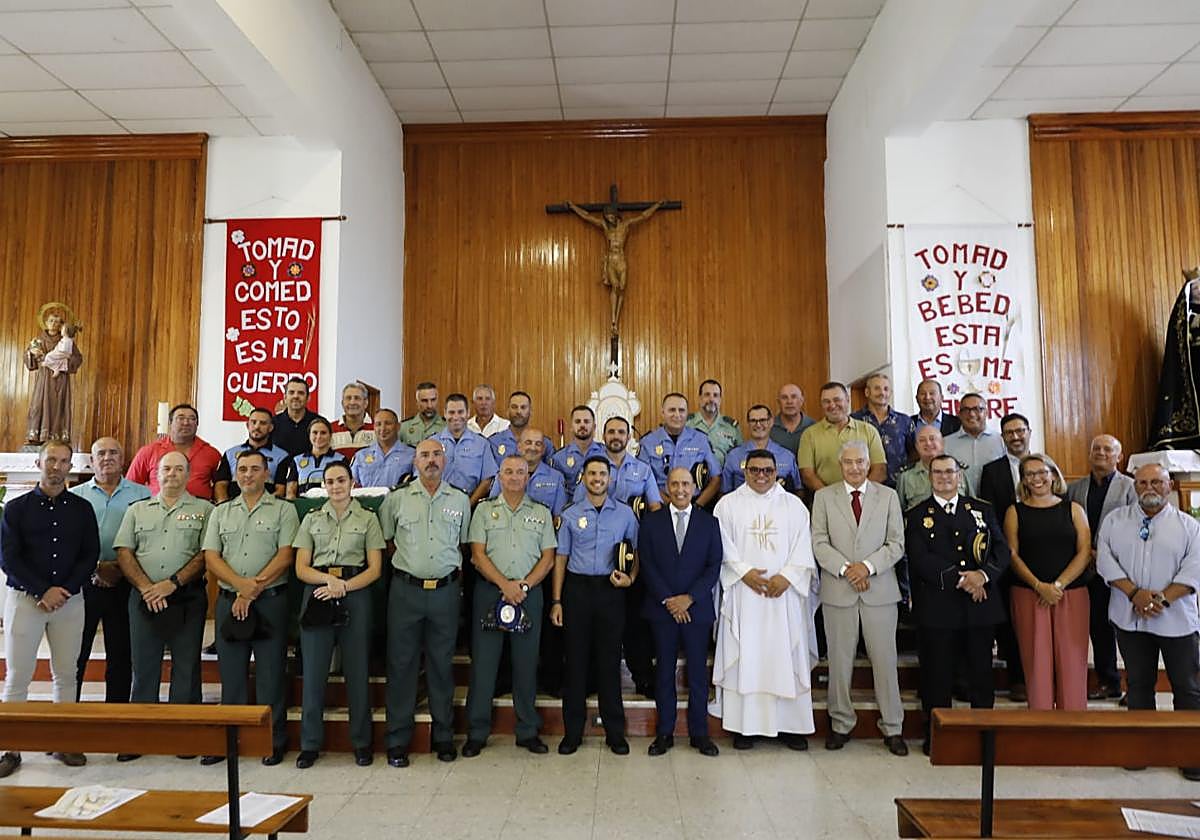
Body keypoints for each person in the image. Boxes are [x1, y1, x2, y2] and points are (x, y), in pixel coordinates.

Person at [0, 441, 99, 777]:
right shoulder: (15, 508)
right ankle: (9, 748)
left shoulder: (83, 510)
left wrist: (65, 589)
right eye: (51, 460)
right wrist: (42, 590)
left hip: (70, 602)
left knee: (66, 673)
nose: (57, 466)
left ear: (70, 466)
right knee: (17, 676)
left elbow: (90, 555)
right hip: (26, 600)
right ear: (38, 462)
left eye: (63, 461)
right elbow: (8, 558)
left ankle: (65, 741)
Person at [1097, 463, 1200, 781]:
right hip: (1130, 619)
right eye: (1142, 482)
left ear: (1168, 485)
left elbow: (1194, 566)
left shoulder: (1188, 526)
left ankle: (1191, 753)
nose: (1149, 488)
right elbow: (1104, 559)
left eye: (1156, 482)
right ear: (1135, 487)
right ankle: (1141, 748)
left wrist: (1162, 599)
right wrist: (1135, 595)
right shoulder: (1115, 520)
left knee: (1188, 687)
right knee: (1139, 686)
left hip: (1176, 621)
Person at [710, 449, 818, 751]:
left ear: (777, 473)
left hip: (783, 596)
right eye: (755, 470)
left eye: (767, 471)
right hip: (745, 595)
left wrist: (787, 577)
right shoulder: (727, 505)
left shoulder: (794, 506)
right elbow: (723, 548)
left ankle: (791, 726)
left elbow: (803, 546)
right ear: (745, 471)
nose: (761, 476)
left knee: (784, 654)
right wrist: (745, 574)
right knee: (748, 654)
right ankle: (746, 726)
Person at [905, 454, 1010, 755]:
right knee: (936, 676)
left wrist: (982, 576)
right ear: (929, 477)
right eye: (937, 473)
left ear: (960, 476)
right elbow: (920, 557)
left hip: (980, 606)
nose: (944, 477)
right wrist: (964, 580)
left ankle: (983, 735)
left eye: (950, 472)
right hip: (938, 607)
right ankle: (938, 735)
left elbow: (1001, 551)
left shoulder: (981, 510)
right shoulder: (916, 515)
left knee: (980, 674)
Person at [202, 450, 299, 766]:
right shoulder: (221, 512)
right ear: (234, 475)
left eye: (254, 469)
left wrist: (253, 588)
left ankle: (272, 741)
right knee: (232, 678)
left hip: (270, 601)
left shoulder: (284, 511)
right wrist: (240, 587)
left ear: (267, 474)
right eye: (242, 470)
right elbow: (212, 557)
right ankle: (231, 742)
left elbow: (286, 555)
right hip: (231, 602)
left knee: (271, 677)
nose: (247, 475)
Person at [812, 441, 907, 755]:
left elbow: (896, 544)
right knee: (839, 664)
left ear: (870, 464)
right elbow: (819, 542)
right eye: (848, 462)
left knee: (885, 662)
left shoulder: (888, 496)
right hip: (839, 591)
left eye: (860, 462)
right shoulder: (824, 497)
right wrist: (845, 569)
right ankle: (840, 724)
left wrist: (866, 567)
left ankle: (892, 727)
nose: (854, 467)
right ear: (840, 465)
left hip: (879, 591)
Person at [379, 439, 470, 768]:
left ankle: (444, 736)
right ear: (414, 461)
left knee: (441, 666)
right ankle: (397, 740)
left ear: (444, 460)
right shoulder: (397, 499)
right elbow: (388, 542)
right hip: (406, 592)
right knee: (401, 666)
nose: (431, 460)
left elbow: (463, 546)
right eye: (424, 455)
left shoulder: (460, 500)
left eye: (436, 455)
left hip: (445, 593)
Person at [114, 452, 212, 753]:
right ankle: (142, 735)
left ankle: (183, 735)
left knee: (186, 666)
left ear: (188, 473)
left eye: (179, 469)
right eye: (166, 468)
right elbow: (124, 551)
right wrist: (147, 587)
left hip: (186, 596)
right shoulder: (137, 510)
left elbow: (205, 554)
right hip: (144, 597)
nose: (172, 474)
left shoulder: (205, 510)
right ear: (156, 473)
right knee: (144, 666)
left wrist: (172, 583)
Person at [462, 456, 557, 757]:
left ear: (528, 477)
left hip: (529, 595)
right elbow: (477, 554)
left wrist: (524, 586)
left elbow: (548, 558)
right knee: (484, 666)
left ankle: (527, 730)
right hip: (491, 593)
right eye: (508, 472)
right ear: (499, 476)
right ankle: (476, 732)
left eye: (520, 472)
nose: (515, 477)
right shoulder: (484, 511)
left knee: (527, 665)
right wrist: (505, 585)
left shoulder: (541, 513)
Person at [292, 461, 384, 769]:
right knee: (315, 673)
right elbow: (301, 567)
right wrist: (328, 582)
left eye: (341, 480)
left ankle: (361, 742)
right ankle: (310, 744)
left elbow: (375, 569)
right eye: (329, 481)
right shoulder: (312, 519)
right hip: (319, 591)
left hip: (354, 591)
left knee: (357, 672)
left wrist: (343, 586)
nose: (335, 486)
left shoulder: (368, 519)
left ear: (352, 482)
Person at [551, 456, 639, 755]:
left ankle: (615, 732)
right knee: (575, 663)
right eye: (592, 473)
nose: (597, 478)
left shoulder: (625, 514)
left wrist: (630, 578)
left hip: (610, 591)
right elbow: (561, 558)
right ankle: (572, 733)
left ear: (610, 478)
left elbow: (635, 553)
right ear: (584, 478)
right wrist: (557, 600)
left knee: (609, 662)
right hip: (577, 591)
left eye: (602, 473)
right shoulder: (571, 514)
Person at [638, 467, 722, 757]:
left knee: (698, 674)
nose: (681, 489)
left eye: (686, 483)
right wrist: (669, 600)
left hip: (696, 611)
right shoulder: (651, 522)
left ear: (694, 487)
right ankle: (664, 733)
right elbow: (646, 564)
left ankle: (700, 734)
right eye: (675, 484)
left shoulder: (710, 523)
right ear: (667, 488)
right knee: (664, 672)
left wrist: (689, 598)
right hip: (663, 611)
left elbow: (714, 566)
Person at [1003, 454, 1091, 711]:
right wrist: (1039, 586)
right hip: (1029, 594)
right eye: (1029, 474)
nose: (1037, 478)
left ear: (1053, 475)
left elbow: (1084, 551)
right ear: (1023, 481)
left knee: (1072, 662)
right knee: (1036, 661)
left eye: (1042, 472)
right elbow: (1012, 554)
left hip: (1071, 594)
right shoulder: (1014, 511)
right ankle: (1041, 723)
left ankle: (1074, 725)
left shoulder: (1074, 509)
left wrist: (1058, 585)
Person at [71, 437, 150, 708]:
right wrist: (95, 568)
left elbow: (147, 538)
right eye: (100, 454)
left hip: (125, 582)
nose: (107, 458)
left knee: (121, 653)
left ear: (123, 459)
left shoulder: (142, 494)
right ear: (91, 461)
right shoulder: (76, 495)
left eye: (113, 452)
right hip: (84, 583)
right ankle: (70, 714)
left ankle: (115, 715)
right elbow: (70, 541)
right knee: (76, 653)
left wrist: (121, 568)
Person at [1066, 434, 1138, 700]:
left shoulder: (1130, 487)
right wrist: (1087, 553)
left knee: (1127, 630)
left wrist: (1104, 553)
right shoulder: (1075, 489)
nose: (1101, 453)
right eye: (1096, 448)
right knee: (1099, 627)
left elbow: (1135, 528)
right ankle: (1109, 681)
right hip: (1087, 570)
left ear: (1119, 456)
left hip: (1121, 570)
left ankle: (1136, 686)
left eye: (1108, 449)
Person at [977, 412, 1033, 702]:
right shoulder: (992, 471)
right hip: (1004, 556)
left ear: (1029, 432)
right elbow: (988, 515)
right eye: (1009, 432)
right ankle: (1018, 678)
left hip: (1040, 555)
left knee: (1036, 620)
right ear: (1002, 438)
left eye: (1020, 431)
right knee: (1009, 621)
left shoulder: (1043, 465)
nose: (1015, 437)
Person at [798, 381, 887, 492]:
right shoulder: (809, 435)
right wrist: (831, 499)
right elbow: (807, 474)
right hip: (827, 503)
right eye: (826, 401)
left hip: (865, 501)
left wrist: (859, 495)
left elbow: (880, 470)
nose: (832, 405)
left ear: (847, 400)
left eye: (837, 400)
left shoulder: (869, 431)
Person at [638, 393, 721, 506]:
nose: (677, 415)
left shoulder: (700, 439)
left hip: (695, 504)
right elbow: (644, 479)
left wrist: (697, 506)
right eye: (672, 410)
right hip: (661, 505)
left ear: (687, 413)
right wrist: (669, 506)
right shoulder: (648, 442)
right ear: (663, 413)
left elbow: (716, 478)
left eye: (681, 410)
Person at [126, 403, 221, 500]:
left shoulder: (212, 454)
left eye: (192, 419)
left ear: (197, 425)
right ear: (170, 423)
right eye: (180, 418)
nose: (186, 423)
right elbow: (130, 486)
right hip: (157, 510)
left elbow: (221, 485)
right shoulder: (149, 451)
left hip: (199, 511)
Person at [570, 416, 662, 509]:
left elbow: (655, 506)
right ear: (603, 436)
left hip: (635, 522)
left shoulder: (644, 470)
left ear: (628, 437)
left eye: (621, 432)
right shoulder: (591, 468)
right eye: (611, 432)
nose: (616, 436)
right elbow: (578, 503)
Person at [24, 305, 82, 444]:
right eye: (51, 321)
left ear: (61, 325)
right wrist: (31, 354)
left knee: (58, 407)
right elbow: (28, 359)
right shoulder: (38, 340)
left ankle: (56, 437)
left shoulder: (66, 340)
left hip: (60, 379)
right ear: (45, 322)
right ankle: (36, 436)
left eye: (57, 322)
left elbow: (77, 358)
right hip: (44, 379)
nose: (54, 324)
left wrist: (65, 363)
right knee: (38, 404)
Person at [850, 372, 916, 488]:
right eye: (877, 389)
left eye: (886, 389)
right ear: (867, 392)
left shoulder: (904, 421)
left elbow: (914, 452)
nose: (882, 393)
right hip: (864, 486)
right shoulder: (854, 420)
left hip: (899, 487)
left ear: (890, 393)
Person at [434, 393, 498, 507]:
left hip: (470, 504)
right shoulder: (432, 442)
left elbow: (487, 480)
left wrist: (468, 505)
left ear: (468, 413)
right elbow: (421, 475)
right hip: (436, 505)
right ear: (444, 413)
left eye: (460, 412)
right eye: (451, 412)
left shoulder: (482, 444)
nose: (456, 417)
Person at [488, 427, 567, 518]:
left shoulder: (556, 478)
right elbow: (492, 508)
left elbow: (559, 517)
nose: (533, 448)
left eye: (538, 444)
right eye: (528, 443)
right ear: (519, 447)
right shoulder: (503, 474)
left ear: (543, 449)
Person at [213, 408, 289, 502]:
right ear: (247, 425)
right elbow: (220, 484)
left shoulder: (282, 456)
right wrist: (224, 506)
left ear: (270, 428)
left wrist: (263, 506)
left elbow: (280, 490)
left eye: (263, 423)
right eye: (253, 422)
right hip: (233, 508)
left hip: (266, 509)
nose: (257, 427)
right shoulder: (230, 453)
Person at [722, 405, 801, 493]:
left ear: (771, 422)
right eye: (753, 421)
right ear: (748, 423)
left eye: (763, 420)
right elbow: (724, 492)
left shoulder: (787, 456)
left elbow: (798, 490)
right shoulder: (734, 456)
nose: (758, 425)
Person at [896, 425, 971, 513]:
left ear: (942, 443)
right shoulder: (906, 476)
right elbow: (899, 511)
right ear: (916, 446)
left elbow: (972, 505)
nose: (928, 443)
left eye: (932, 439)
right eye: (922, 440)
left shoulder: (960, 472)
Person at [942, 393, 1004, 492]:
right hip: (961, 503)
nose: (971, 414)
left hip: (995, 502)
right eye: (966, 410)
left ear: (987, 412)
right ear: (959, 414)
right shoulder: (946, 443)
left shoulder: (1001, 441)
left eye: (977, 409)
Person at [281, 417, 347, 499]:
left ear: (330, 436)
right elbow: (290, 492)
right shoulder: (297, 460)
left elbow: (346, 489)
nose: (319, 436)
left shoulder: (341, 460)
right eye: (315, 433)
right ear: (309, 435)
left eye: (323, 433)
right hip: (304, 507)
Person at [351, 408, 415, 489]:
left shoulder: (412, 454)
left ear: (398, 427)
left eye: (388, 423)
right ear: (374, 427)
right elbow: (350, 485)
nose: (383, 428)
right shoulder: (361, 455)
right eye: (378, 424)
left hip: (398, 501)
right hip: (367, 501)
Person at [488, 391, 555, 464]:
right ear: (507, 411)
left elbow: (550, 471)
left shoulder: (543, 442)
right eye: (514, 407)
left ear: (530, 411)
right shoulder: (493, 442)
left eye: (523, 407)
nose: (519, 411)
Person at [686, 379, 742, 467]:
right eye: (707, 395)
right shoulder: (686, 424)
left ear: (720, 400)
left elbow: (739, 458)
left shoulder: (732, 427)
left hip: (724, 478)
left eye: (715, 395)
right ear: (700, 399)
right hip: (691, 478)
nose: (711, 399)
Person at [551, 405, 606, 488]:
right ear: (571, 427)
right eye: (578, 421)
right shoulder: (559, 458)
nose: (582, 425)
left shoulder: (605, 453)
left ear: (594, 427)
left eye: (586, 421)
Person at [271, 376, 319, 458]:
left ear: (308, 398)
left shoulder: (319, 423)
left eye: (301, 393)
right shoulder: (272, 423)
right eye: (291, 392)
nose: (296, 396)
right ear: (285, 397)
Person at [330, 381, 375, 459]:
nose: (352, 402)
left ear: (365, 403)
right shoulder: (330, 429)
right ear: (342, 403)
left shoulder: (377, 429)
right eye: (348, 398)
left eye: (357, 398)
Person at [769, 383, 816, 454]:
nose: (789, 402)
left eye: (794, 397)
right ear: (778, 402)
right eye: (784, 397)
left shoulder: (813, 426)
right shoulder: (769, 427)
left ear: (801, 401)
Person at [398, 381, 445, 445]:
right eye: (424, 401)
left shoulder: (447, 427)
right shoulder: (403, 427)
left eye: (433, 400)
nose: (429, 405)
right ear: (417, 402)